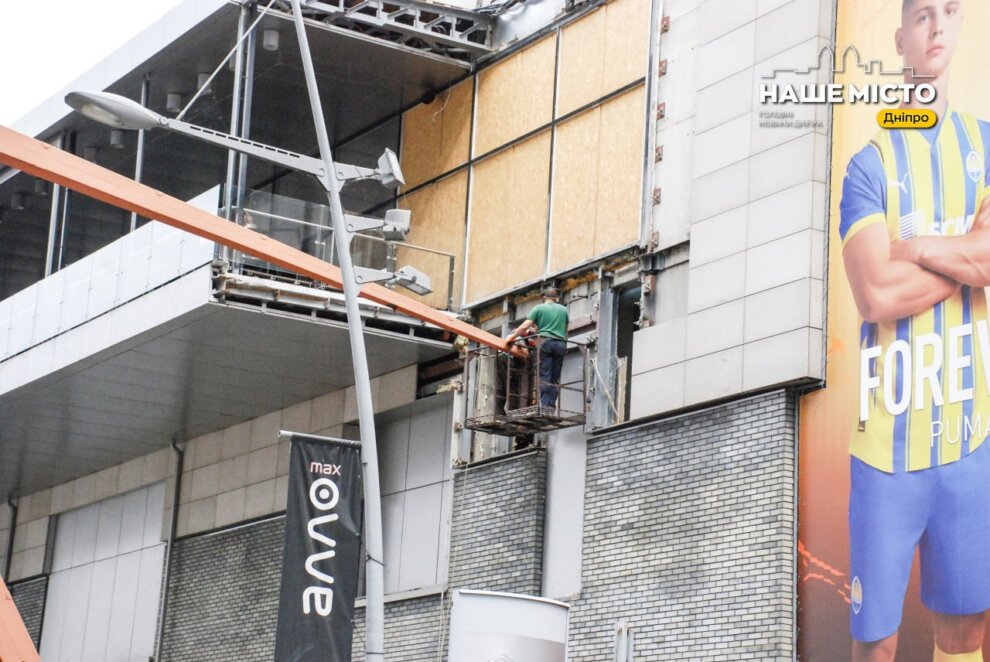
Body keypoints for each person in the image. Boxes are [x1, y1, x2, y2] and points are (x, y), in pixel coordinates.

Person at [839, 1, 990, 660]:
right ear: (900, 38)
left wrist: (911, 247)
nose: (935, 25)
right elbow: (874, 294)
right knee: (873, 642)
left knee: (966, 630)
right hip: (886, 456)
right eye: (922, 14)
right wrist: (962, 251)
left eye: (949, 11)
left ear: (959, 29)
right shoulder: (866, 165)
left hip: (971, 442)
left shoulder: (986, 144)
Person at [506, 287, 568, 409]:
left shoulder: (539, 308)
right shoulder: (564, 310)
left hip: (545, 342)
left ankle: (544, 406)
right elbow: (566, 331)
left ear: (544, 297)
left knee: (545, 374)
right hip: (561, 343)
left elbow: (525, 326)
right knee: (555, 377)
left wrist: (512, 336)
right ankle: (550, 406)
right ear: (556, 298)